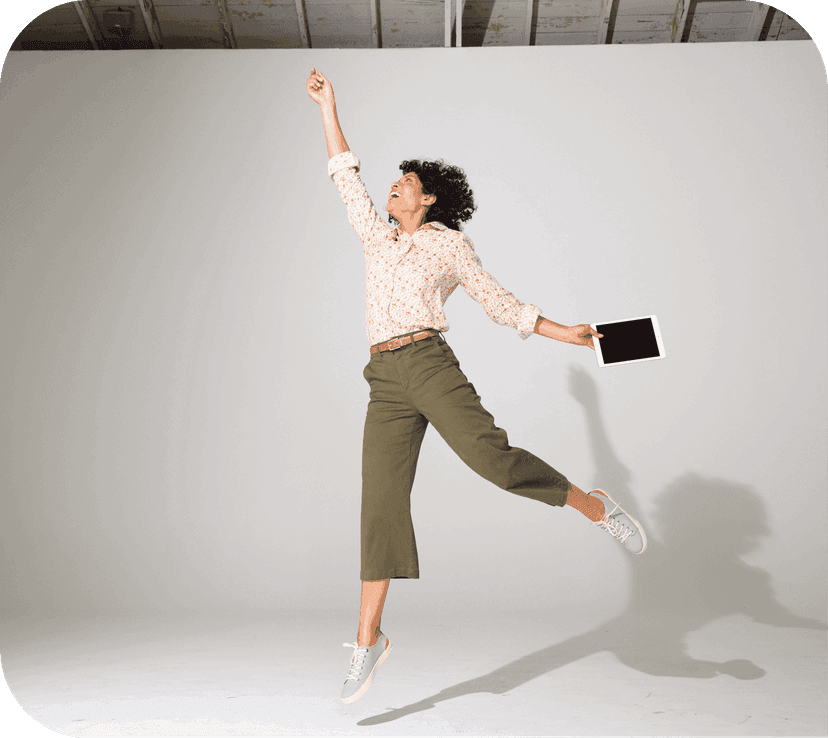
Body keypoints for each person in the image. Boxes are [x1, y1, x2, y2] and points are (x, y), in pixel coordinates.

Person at [305, 68, 647, 705]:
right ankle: (367, 640)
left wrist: (561, 331)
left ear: (428, 198)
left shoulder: (450, 246)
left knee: (495, 463)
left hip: (430, 364)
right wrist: (329, 106)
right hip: (384, 378)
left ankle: (592, 505)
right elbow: (343, 174)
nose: (394, 182)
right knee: (378, 503)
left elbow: (496, 301)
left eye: (406, 180)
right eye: (397, 178)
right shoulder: (377, 239)